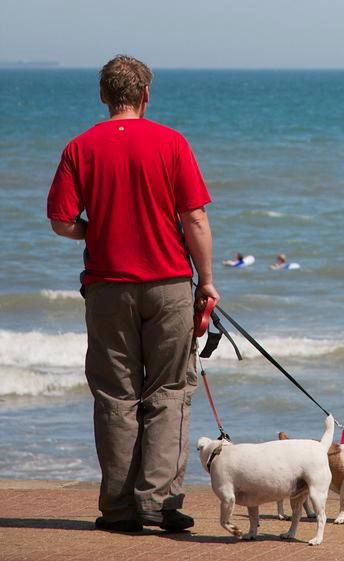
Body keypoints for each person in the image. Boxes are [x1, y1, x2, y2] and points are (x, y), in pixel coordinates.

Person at [46, 55, 219, 533]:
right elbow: (196, 219)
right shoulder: (171, 142)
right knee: (169, 392)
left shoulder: (80, 147)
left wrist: (95, 232)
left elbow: (61, 221)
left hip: (106, 288)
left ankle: (120, 510)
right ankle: (158, 504)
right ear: (146, 95)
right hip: (167, 285)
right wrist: (205, 280)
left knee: (115, 396)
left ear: (103, 96)